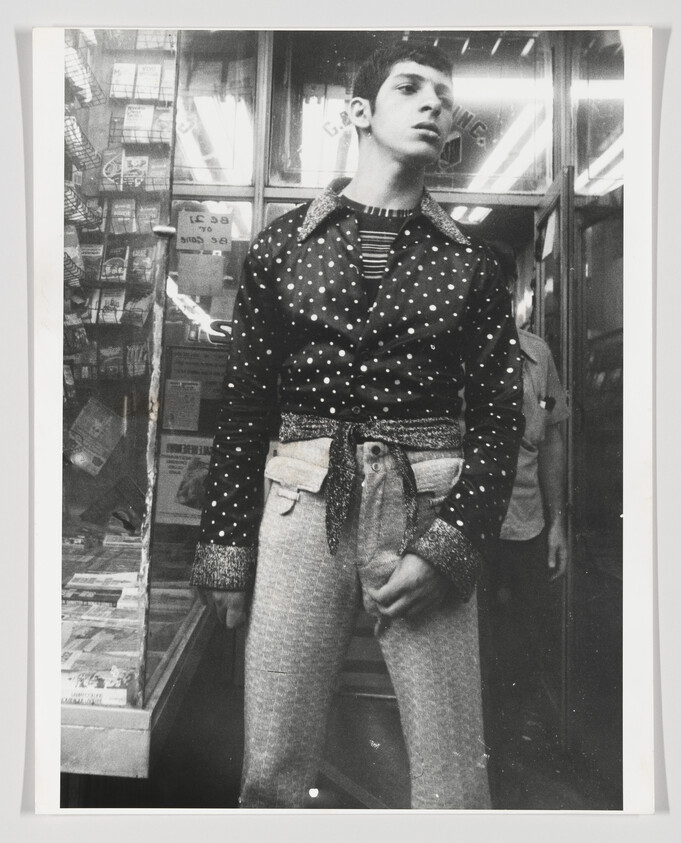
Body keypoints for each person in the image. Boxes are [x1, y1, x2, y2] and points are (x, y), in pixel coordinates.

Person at [190, 42, 524, 810]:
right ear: (360, 113)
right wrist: (226, 553)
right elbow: (245, 406)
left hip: (427, 508)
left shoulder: (472, 264)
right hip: (301, 500)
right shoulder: (281, 247)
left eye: (444, 93)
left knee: (451, 779)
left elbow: (501, 418)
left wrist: (451, 548)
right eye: (411, 87)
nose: (433, 103)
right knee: (273, 763)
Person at [477, 246, 570, 801]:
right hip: (466, 529)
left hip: (529, 524)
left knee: (523, 642)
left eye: (504, 285)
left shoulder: (539, 353)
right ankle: (479, 751)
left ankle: (513, 755)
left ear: (517, 291)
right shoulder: (450, 352)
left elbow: (553, 440)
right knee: (470, 646)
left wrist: (559, 522)